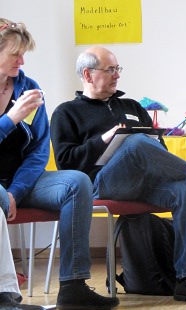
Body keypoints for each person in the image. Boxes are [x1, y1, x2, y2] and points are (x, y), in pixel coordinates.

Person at [50, 46, 186, 304]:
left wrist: (148, 143)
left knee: (184, 190)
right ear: (88, 75)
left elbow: (159, 149)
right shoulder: (66, 113)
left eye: (117, 69)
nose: (117, 75)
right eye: (110, 70)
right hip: (102, 183)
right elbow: (66, 162)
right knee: (134, 143)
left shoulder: (132, 106)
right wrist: (105, 140)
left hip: (145, 181)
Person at [0, 18, 119, 309]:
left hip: (21, 182)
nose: (22, 60)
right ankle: (6, 296)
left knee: (77, 182)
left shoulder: (27, 87)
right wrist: (9, 120)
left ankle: (73, 285)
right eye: (15, 53)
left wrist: (16, 190)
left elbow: (40, 152)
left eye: (23, 52)